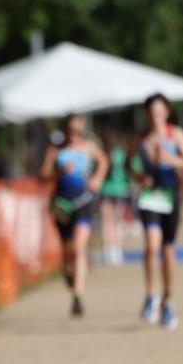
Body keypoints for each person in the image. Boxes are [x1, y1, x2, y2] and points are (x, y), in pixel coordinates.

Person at [129, 94, 183, 330]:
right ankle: (151, 296)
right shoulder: (140, 138)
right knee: (151, 245)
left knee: (168, 248)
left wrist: (172, 159)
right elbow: (128, 163)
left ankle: (168, 301)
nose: (155, 116)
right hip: (150, 196)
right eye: (151, 112)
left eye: (160, 111)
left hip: (171, 196)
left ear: (167, 113)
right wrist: (139, 176)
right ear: (146, 114)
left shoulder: (175, 134)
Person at [40, 114, 108, 316]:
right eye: (70, 130)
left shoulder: (88, 148)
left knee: (79, 248)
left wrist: (97, 179)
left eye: (77, 130)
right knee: (68, 250)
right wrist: (58, 173)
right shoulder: (56, 150)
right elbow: (42, 176)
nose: (74, 134)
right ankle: (69, 273)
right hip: (62, 205)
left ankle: (78, 296)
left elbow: (104, 161)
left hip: (84, 202)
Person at [98, 128, 132, 265]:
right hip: (119, 190)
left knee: (107, 222)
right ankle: (117, 250)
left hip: (107, 190)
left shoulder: (105, 153)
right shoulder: (121, 153)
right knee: (117, 222)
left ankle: (109, 250)